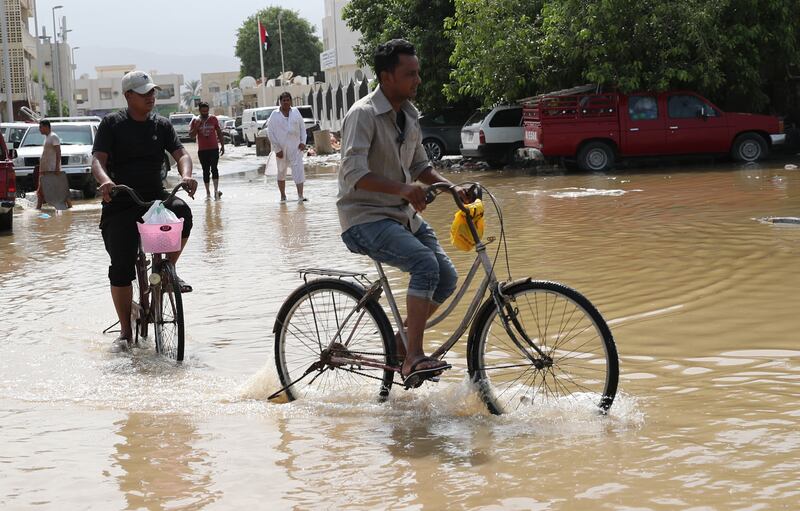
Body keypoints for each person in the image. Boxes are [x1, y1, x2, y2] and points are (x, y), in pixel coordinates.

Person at [337, 39, 466, 387]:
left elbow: (421, 164)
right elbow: (353, 174)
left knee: (447, 276)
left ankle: (400, 342)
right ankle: (413, 357)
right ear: (386, 77)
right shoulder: (362, 115)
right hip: (364, 218)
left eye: (417, 73)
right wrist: (404, 190)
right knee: (425, 266)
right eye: (410, 74)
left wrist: (450, 187)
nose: (417, 81)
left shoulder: (409, 115)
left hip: (401, 216)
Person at [91, 70, 198, 353]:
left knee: (183, 214)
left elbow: (182, 154)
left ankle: (166, 270)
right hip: (121, 201)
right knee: (121, 269)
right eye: (144, 93)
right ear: (128, 97)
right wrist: (106, 182)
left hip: (155, 201)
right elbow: (97, 161)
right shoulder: (112, 124)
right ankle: (125, 331)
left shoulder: (161, 125)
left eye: (153, 92)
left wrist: (186, 175)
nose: (151, 97)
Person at [267, 92, 307, 202]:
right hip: (281, 149)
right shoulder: (274, 115)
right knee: (281, 172)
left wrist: (303, 141)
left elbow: (302, 128)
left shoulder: (296, 112)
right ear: (280, 102)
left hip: (296, 148)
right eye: (283, 100)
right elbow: (270, 132)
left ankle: (300, 195)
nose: (286, 102)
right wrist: (277, 149)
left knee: (298, 171)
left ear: (291, 101)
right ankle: (283, 196)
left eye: (287, 100)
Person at [188, 101, 224, 200]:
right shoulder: (195, 120)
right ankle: (208, 193)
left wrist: (223, 145)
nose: (205, 113)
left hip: (214, 148)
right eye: (203, 111)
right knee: (205, 171)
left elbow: (219, 132)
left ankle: (216, 191)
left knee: (214, 169)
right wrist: (196, 126)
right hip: (203, 150)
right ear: (199, 111)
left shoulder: (213, 119)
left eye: (207, 111)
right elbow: (191, 136)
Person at [35, 120, 72, 210]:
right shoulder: (47, 138)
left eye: (40, 127)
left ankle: (38, 209)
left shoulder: (53, 137)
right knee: (41, 191)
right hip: (45, 169)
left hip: (52, 169)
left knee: (56, 190)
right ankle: (38, 208)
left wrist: (57, 167)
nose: (39, 129)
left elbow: (58, 152)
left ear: (46, 127)